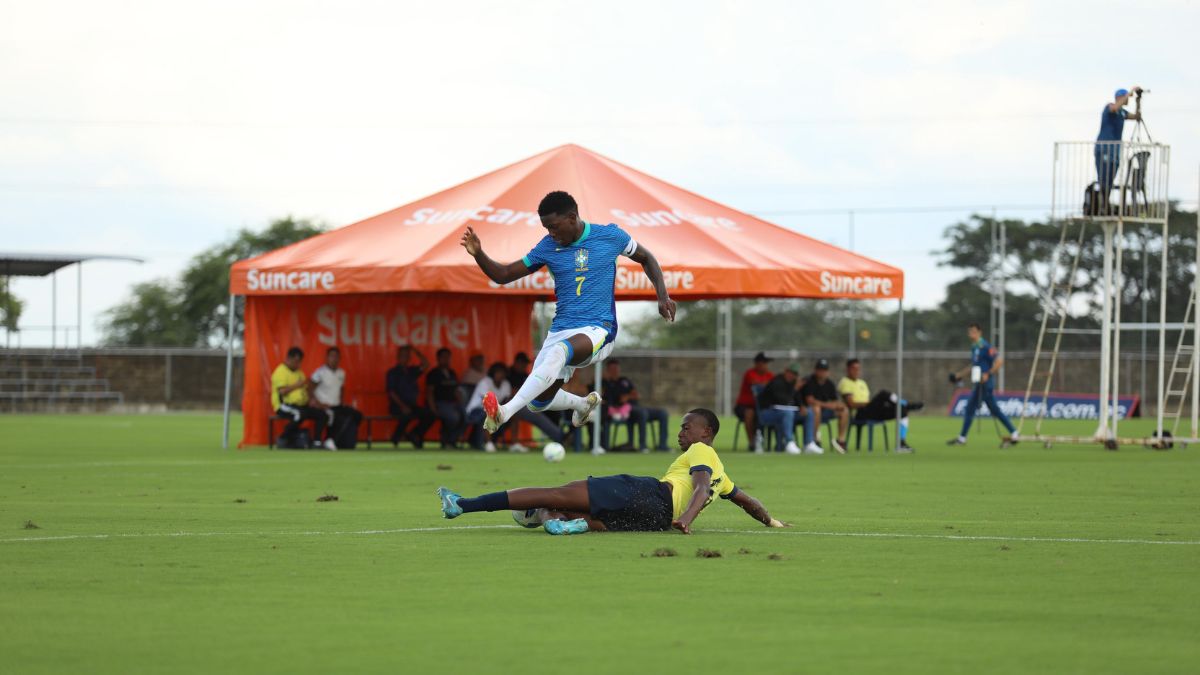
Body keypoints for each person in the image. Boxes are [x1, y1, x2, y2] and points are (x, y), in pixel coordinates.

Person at [460, 190, 676, 444]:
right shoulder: (547, 247)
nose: (550, 233)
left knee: (558, 354)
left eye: (553, 226)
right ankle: (582, 404)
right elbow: (504, 274)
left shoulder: (610, 236)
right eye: (545, 228)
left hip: (599, 329)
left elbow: (647, 257)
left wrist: (662, 296)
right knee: (538, 403)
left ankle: (504, 412)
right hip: (561, 329)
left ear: (572, 217)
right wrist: (479, 254)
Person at [437, 408, 788, 535]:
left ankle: (463, 505)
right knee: (586, 515)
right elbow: (745, 501)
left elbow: (698, 489)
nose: (681, 433)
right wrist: (771, 521)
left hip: (652, 495)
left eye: (686, 427)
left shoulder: (701, 452)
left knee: (557, 493)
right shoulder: (723, 476)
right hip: (656, 521)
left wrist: (688, 519)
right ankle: (567, 524)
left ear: (706, 433)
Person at [947, 322, 1018, 446]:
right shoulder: (975, 347)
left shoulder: (985, 346)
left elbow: (999, 361)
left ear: (980, 332)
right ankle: (962, 438)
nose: (971, 334)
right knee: (970, 408)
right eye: (970, 331)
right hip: (977, 384)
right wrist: (959, 375)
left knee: (994, 410)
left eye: (974, 331)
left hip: (986, 384)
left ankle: (1014, 432)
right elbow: (973, 366)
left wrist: (988, 374)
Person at [837, 358, 922, 453]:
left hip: (872, 411)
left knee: (902, 411)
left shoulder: (862, 383)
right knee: (883, 394)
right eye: (854, 368)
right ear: (848, 369)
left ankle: (901, 443)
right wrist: (867, 403)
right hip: (860, 412)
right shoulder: (845, 382)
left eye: (858, 369)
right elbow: (851, 404)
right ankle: (907, 403)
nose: (857, 371)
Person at [601, 359, 671, 453]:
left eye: (617, 368)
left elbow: (636, 395)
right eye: (612, 369)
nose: (615, 371)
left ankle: (662, 445)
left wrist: (627, 396)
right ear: (608, 370)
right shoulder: (605, 383)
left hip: (635, 406)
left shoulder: (624, 381)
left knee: (663, 413)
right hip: (621, 410)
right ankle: (643, 446)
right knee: (642, 413)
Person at [270, 346, 329, 449]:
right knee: (299, 414)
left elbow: (305, 389)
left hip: (301, 405)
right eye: (296, 361)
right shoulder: (280, 371)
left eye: (299, 362)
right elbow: (282, 391)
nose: (297, 364)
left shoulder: (299, 372)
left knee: (322, 414)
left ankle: (317, 442)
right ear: (288, 358)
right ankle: (283, 438)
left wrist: (312, 401)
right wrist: (296, 385)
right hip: (284, 405)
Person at [1095, 87, 1143, 210]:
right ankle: (1101, 205)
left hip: (1114, 152)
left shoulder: (1122, 113)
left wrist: (1138, 101)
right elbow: (1115, 108)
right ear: (1119, 97)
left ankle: (1105, 205)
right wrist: (1130, 92)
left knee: (1110, 179)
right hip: (1104, 149)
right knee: (1104, 178)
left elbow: (1137, 117)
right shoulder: (1110, 107)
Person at [308, 346, 363, 450]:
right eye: (332, 356)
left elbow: (341, 388)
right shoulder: (320, 372)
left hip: (336, 405)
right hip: (324, 405)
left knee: (356, 415)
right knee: (330, 415)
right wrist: (317, 403)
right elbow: (310, 387)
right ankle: (324, 440)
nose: (334, 359)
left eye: (336, 357)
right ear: (327, 358)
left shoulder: (341, 373)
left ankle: (340, 440)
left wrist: (342, 402)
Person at [385, 345, 436, 448]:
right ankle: (396, 437)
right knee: (407, 414)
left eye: (407, 356)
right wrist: (402, 406)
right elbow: (391, 392)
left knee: (430, 415)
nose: (405, 358)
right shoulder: (392, 372)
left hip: (411, 405)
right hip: (397, 405)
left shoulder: (412, 371)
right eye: (403, 355)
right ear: (398, 357)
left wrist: (415, 351)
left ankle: (414, 434)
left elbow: (426, 364)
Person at [800, 359, 848, 455]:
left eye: (825, 370)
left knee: (844, 410)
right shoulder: (809, 381)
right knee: (816, 409)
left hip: (826, 411)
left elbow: (835, 401)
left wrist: (828, 405)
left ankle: (841, 440)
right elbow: (810, 401)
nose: (822, 373)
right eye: (820, 370)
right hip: (810, 412)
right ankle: (815, 439)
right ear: (815, 370)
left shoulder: (829, 384)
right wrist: (828, 405)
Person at [756, 363, 804, 455]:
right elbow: (782, 401)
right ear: (786, 371)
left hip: (786, 413)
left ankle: (809, 443)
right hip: (768, 412)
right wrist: (794, 389)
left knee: (809, 413)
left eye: (795, 374)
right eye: (792, 373)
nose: (793, 376)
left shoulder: (793, 383)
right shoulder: (777, 382)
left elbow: (796, 401)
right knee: (788, 413)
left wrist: (802, 406)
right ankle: (789, 442)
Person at [735, 352, 775, 452]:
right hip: (744, 406)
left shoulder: (770, 375)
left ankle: (775, 443)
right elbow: (757, 385)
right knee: (749, 413)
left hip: (762, 407)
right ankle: (752, 442)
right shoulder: (750, 373)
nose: (766, 365)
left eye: (766, 363)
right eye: (764, 363)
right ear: (757, 364)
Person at [426, 347, 465, 448]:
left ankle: (452, 440)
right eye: (444, 357)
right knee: (453, 417)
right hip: (440, 403)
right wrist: (433, 408)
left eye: (448, 357)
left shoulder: (452, 373)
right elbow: (430, 392)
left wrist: (462, 403)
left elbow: (456, 390)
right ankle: (446, 439)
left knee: (466, 415)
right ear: (438, 358)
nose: (446, 359)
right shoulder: (433, 373)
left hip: (453, 403)